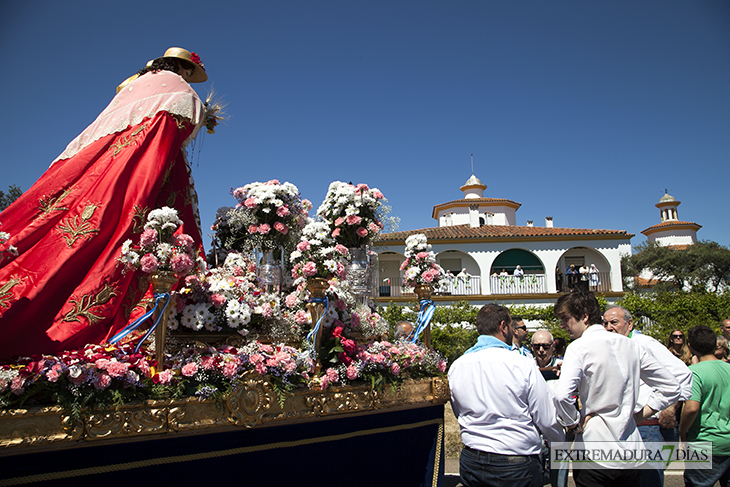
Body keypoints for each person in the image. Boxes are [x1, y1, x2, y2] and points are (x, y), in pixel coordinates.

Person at [0, 47, 209, 359]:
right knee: (118, 224)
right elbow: (187, 115)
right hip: (140, 169)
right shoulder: (177, 86)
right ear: (185, 70)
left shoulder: (136, 83)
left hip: (100, 164)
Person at [553, 292, 680, 487]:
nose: (562, 325)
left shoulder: (578, 347)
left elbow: (561, 396)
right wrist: (640, 415)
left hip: (595, 450)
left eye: (566, 319)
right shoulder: (631, 345)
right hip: (632, 452)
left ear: (584, 316)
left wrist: (573, 424)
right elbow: (671, 386)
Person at [449, 304, 564, 486]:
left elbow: (459, 411)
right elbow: (546, 418)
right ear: (503, 326)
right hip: (514, 461)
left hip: (473, 457)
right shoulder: (522, 364)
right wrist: (559, 440)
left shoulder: (457, 366)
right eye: (512, 326)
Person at [603, 305, 692, 486]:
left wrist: (669, 407)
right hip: (625, 429)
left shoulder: (643, 343)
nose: (609, 327)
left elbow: (683, 374)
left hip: (647, 429)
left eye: (614, 322)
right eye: (605, 323)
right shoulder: (613, 347)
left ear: (629, 324)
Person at [679, 325, 730, 487]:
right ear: (715, 345)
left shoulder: (695, 372)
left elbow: (692, 407)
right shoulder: (728, 368)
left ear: (691, 347)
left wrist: (682, 430)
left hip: (703, 441)